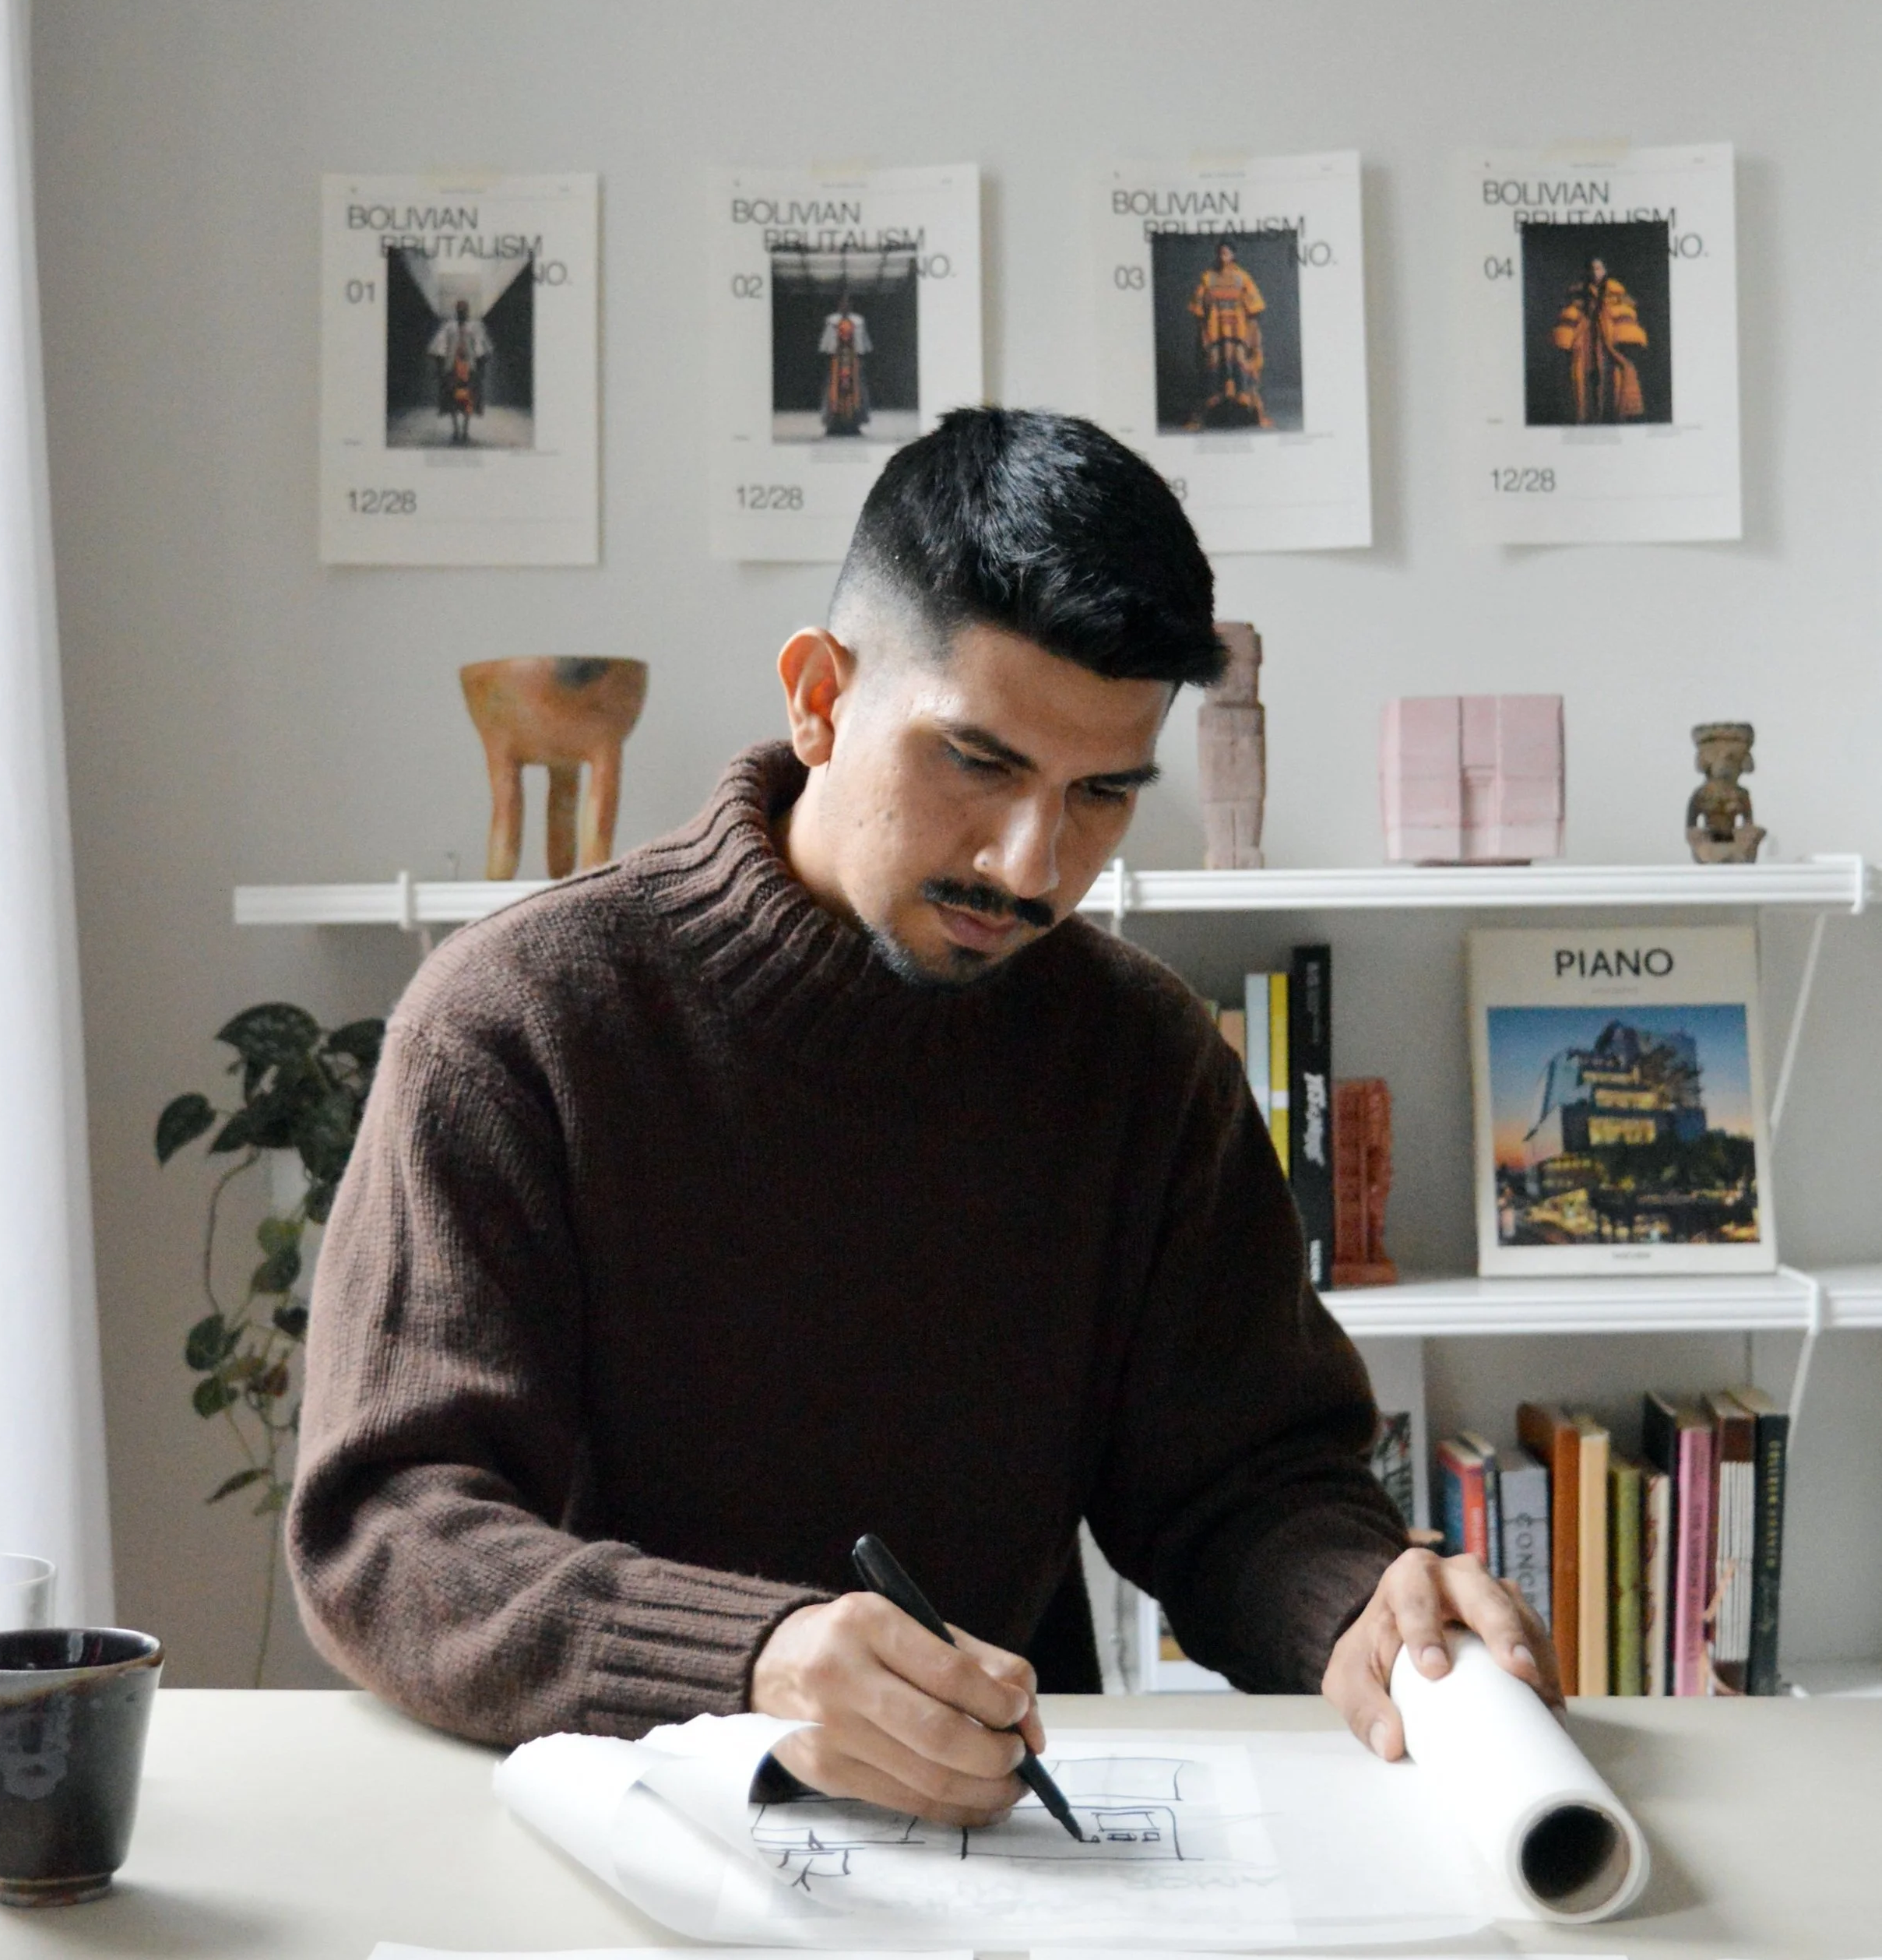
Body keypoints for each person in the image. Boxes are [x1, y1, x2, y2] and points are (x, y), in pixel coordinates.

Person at [290, 409, 1556, 1824]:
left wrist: (1361, 1608)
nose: (1032, 860)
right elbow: (392, 1528)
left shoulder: (1143, 1058)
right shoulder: (514, 1022)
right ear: (818, 695)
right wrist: (754, 1658)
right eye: (979, 760)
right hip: (605, 1831)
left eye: (1101, 794)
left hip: (1007, 1840)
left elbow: (1240, 1479)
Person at [1550, 255, 1648, 424]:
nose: (1595, 273)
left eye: (1599, 268)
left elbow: (1625, 318)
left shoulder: (1616, 293)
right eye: (1592, 269)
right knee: (1583, 386)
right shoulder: (1577, 294)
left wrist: (1622, 340)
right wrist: (1566, 340)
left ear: (1605, 271)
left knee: (1614, 384)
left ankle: (1612, 420)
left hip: (1609, 347)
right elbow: (1568, 319)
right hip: (1585, 345)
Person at [1184, 241, 1267, 428]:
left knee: (1242, 366)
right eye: (1221, 253)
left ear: (1233, 255)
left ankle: (1249, 408)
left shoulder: (1242, 278)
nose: (1224, 256)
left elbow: (1255, 308)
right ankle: (1202, 414)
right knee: (1212, 368)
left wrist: (1252, 336)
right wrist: (1203, 332)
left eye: (1227, 253)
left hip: (1238, 335)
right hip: (1215, 335)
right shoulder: (1208, 278)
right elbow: (1198, 309)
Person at [428, 295, 492, 445]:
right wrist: (440, 367)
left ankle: (465, 431)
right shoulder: (448, 327)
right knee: (452, 400)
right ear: (456, 311)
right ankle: (456, 430)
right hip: (452, 369)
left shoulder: (475, 327)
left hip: (469, 369)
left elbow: (483, 349)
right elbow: (438, 347)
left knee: (468, 400)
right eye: (459, 310)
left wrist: (480, 366)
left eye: (464, 310)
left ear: (468, 311)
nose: (462, 312)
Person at [818, 295, 872, 435]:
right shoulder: (832, 321)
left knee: (856, 392)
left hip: (853, 362)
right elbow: (828, 346)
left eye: (848, 303)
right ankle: (833, 424)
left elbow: (862, 346)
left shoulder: (858, 321)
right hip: (837, 363)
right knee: (833, 392)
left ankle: (854, 424)